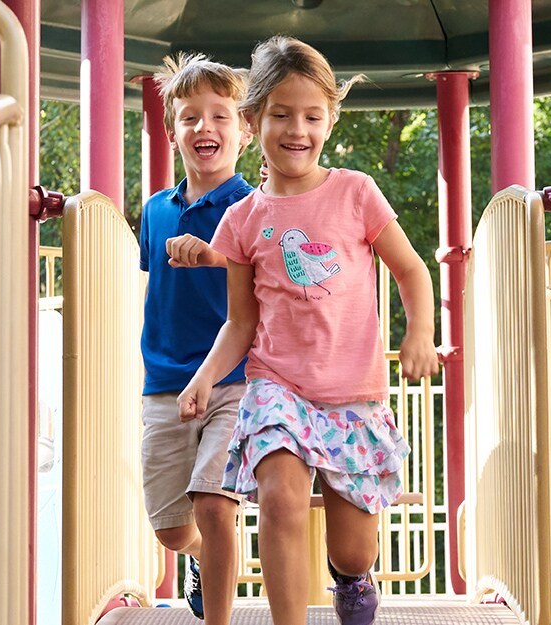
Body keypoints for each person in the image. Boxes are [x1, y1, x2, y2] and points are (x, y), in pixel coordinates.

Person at [178, 35, 440, 625]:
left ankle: (352, 576)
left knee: (353, 546)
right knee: (281, 498)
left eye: (312, 116)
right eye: (281, 114)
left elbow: (411, 269)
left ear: (330, 120)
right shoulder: (242, 219)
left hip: (353, 392)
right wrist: (204, 378)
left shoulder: (355, 192)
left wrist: (418, 330)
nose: (298, 129)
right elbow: (241, 323)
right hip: (279, 389)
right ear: (254, 121)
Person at [137, 52, 252, 623]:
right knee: (173, 528)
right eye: (190, 117)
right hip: (164, 380)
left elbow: (263, 290)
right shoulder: (156, 211)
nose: (205, 128)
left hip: (235, 380)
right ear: (171, 130)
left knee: (213, 502)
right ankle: (203, 559)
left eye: (220, 116)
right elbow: (155, 289)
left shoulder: (255, 208)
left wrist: (214, 258)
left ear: (245, 129)